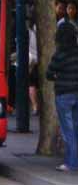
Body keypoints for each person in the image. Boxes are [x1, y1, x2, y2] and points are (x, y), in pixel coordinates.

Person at [47, 21, 78, 172]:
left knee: (68, 130)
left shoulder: (59, 55)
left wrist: (57, 76)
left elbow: (49, 74)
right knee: (76, 127)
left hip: (63, 94)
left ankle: (71, 162)